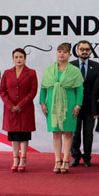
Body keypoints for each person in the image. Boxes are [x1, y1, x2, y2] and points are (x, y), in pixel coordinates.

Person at [40, 43, 83, 174]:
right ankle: (57, 160)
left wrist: (78, 105)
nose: (61, 54)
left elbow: (80, 89)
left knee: (68, 133)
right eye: (59, 51)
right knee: (56, 133)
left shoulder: (75, 71)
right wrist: (42, 103)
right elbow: (43, 88)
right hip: (52, 105)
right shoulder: (49, 70)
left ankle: (65, 160)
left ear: (70, 55)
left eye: (64, 52)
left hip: (69, 105)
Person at [0, 48, 38, 173]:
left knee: (24, 134)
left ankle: (23, 159)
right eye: (16, 57)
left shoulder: (31, 72)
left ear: (25, 58)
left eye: (21, 57)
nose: (18, 59)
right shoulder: (7, 73)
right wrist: (10, 105)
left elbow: (33, 91)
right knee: (14, 135)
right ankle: (15, 158)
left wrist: (21, 105)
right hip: (10, 109)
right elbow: (2, 91)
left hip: (25, 109)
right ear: (13, 59)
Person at [70, 41, 99, 168]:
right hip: (74, 106)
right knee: (75, 133)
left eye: (87, 49)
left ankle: (87, 158)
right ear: (77, 50)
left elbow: (98, 87)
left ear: (90, 51)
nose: (84, 51)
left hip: (90, 106)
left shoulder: (96, 66)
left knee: (88, 133)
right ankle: (75, 157)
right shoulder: (71, 65)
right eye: (82, 49)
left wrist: (97, 107)